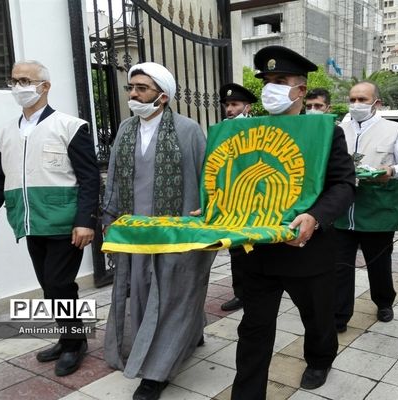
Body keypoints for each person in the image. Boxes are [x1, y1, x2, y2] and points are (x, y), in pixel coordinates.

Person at [231, 45, 356, 400]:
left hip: (307, 250)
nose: (270, 87)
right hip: (257, 250)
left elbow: (344, 185)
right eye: (267, 81)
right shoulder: (247, 131)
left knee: (317, 318)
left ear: (300, 90)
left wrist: (315, 216)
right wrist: (217, 208)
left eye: (280, 80)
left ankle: (320, 359)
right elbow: (232, 180)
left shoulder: (326, 131)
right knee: (253, 328)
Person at [0, 60, 99, 376]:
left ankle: (75, 344)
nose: (19, 86)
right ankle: (68, 336)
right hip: (30, 222)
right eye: (14, 80)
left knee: (59, 283)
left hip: (64, 222)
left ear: (45, 86)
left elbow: (89, 178)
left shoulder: (70, 126)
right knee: (49, 285)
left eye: (26, 80)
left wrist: (86, 220)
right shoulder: (6, 132)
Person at [102, 62, 216, 400]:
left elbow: (207, 180)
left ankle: (156, 372)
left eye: (142, 88)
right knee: (142, 292)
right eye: (130, 88)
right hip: (137, 232)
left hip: (177, 231)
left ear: (162, 96)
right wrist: (110, 219)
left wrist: (204, 219)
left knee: (174, 293)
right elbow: (112, 176)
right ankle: (183, 336)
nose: (133, 94)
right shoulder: (125, 130)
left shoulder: (188, 129)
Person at [334, 81, 398, 329]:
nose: (356, 104)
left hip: (377, 207)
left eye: (362, 99)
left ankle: (384, 302)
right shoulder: (340, 129)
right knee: (340, 265)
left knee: (379, 262)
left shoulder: (395, 131)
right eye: (353, 99)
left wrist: (392, 170)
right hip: (343, 210)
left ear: (377, 103)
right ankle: (339, 315)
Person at [218, 83, 257, 312]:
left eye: (235, 104)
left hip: (253, 197)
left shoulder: (256, 128)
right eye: (227, 105)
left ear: (247, 107)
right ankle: (240, 293)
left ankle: (257, 290)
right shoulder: (221, 130)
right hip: (230, 198)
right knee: (236, 249)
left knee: (254, 247)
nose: (230, 109)